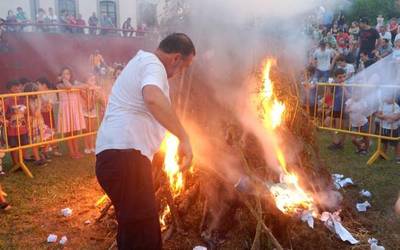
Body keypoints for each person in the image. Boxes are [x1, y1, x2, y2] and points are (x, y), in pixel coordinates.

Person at [95, 33, 195, 249]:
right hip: (125, 158)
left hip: (119, 158)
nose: (181, 74)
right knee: (144, 237)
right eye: (184, 67)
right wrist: (184, 137)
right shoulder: (153, 64)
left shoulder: (141, 62)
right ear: (176, 58)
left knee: (135, 232)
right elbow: (152, 98)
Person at [57, 67, 87, 159]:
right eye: (65, 74)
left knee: (75, 131)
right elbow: (68, 87)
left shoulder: (74, 82)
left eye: (68, 73)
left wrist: (74, 86)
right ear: (61, 75)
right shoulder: (59, 84)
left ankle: (76, 151)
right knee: (69, 132)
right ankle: (72, 152)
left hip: (74, 109)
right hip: (66, 110)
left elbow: (86, 85)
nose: (67, 75)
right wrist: (64, 79)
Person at [4, 80, 31, 165]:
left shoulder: (23, 98)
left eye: (18, 86)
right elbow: (4, 114)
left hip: (23, 127)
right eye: (14, 86)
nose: (17, 88)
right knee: (14, 146)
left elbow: (27, 111)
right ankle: (16, 164)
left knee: (23, 144)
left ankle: (22, 161)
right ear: (10, 88)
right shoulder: (7, 100)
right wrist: (12, 113)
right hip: (12, 129)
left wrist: (24, 111)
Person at [24, 83, 51, 166]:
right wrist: (39, 105)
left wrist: (46, 106)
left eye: (37, 91)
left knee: (48, 136)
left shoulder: (37, 99)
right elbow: (34, 113)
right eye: (35, 91)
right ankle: (38, 159)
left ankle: (44, 153)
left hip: (40, 121)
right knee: (35, 141)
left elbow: (42, 110)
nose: (37, 93)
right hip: (32, 123)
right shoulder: (27, 101)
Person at [37, 77, 62, 157]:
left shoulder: (52, 92)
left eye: (38, 84)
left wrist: (48, 105)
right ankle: (44, 151)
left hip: (51, 114)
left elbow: (53, 103)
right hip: (42, 115)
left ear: (44, 85)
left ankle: (55, 149)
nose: (37, 86)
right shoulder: (38, 94)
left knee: (53, 132)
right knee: (44, 133)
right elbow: (39, 105)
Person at [81, 74, 105, 154]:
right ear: (86, 81)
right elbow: (85, 99)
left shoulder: (96, 90)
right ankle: (87, 146)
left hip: (93, 111)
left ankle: (92, 146)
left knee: (92, 129)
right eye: (91, 80)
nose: (93, 82)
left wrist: (96, 94)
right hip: (85, 111)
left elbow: (98, 99)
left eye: (94, 80)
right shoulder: (84, 89)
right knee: (86, 130)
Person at [328, 68, 349, 150]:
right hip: (336, 107)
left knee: (342, 127)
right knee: (327, 123)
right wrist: (330, 86)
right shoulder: (335, 85)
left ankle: (341, 144)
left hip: (344, 108)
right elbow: (331, 95)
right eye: (340, 77)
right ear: (335, 78)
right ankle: (336, 141)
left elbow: (349, 97)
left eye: (344, 77)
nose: (342, 79)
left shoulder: (348, 84)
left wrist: (344, 87)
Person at [376, 93, 400, 164]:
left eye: (388, 96)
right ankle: (383, 154)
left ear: (393, 98)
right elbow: (377, 114)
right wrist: (388, 117)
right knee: (384, 142)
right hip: (383, 127)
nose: (386, 98)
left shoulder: (396, 107)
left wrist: (383, 116)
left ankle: (398, 157)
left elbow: (395, 117)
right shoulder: (382, 104)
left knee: (396, 143)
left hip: (393, 128)